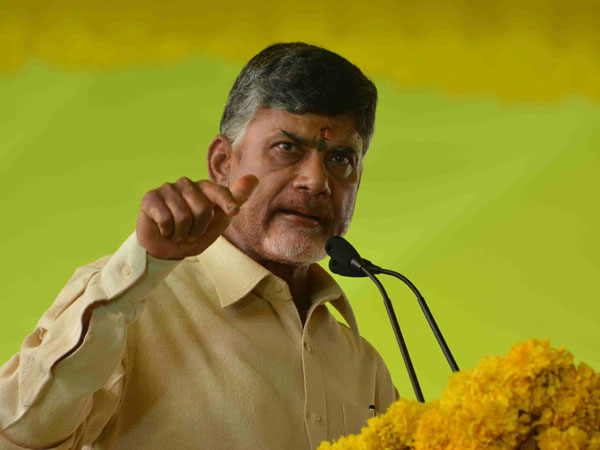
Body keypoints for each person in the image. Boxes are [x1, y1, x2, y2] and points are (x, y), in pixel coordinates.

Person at [0, 42, 398, 450]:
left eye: (341, 159)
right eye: (288, 147)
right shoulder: (128, 306)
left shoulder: (363, 366)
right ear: (223, 163)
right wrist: (144, 266)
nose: (315, 181)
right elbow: (15, 436)